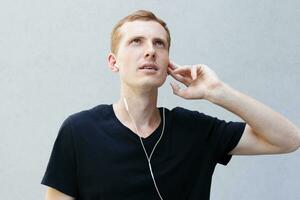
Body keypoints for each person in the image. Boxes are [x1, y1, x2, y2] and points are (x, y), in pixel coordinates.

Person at [41, 10, 300, 200]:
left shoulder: (195, 130)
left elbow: (289, 139)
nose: (150, 51)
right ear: (113, 62)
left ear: (167, 64)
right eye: (136, 41)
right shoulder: (80, 131)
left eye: (159, 44)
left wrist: (218, 92)